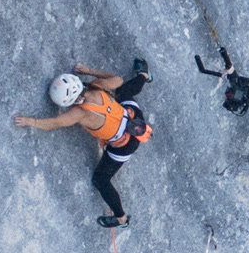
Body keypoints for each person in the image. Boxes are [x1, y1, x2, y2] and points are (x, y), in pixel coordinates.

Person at [15, 59, 153, 228]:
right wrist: (88, 70)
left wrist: (30, 121)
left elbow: (55, 123)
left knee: (100, 180)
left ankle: (121, 218)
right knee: (124, 92)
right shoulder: (96, 86)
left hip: (124, 145)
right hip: (134, 119)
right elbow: (117, 79)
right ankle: (143, 75)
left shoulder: (79, 113)